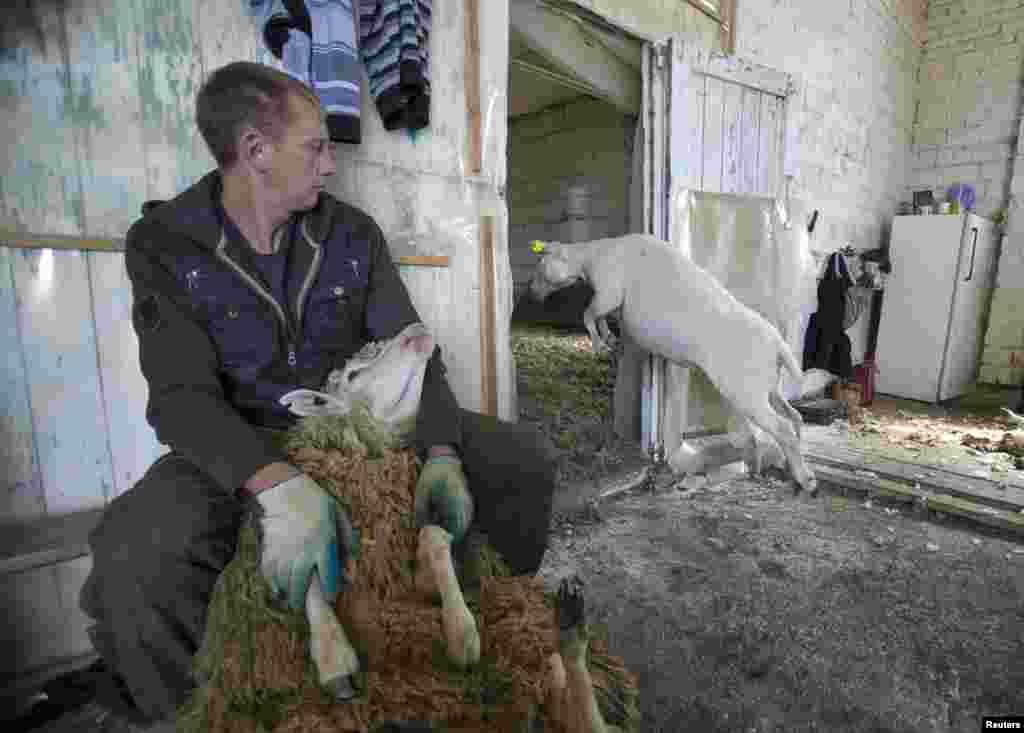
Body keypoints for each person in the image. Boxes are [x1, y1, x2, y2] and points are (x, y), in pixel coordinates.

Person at [79, 60, 556, 725]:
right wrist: (276, 482)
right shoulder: (165, 245)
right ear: (254, 151)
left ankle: (475, 639)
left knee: (520, 463)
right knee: (134, 555)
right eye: (317, 146)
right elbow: (182, 398)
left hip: (356, 428)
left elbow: (414, 352)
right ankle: (204, 712)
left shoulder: (351, 235)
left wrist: (442, 450)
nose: (331, 165)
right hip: (243, 441)